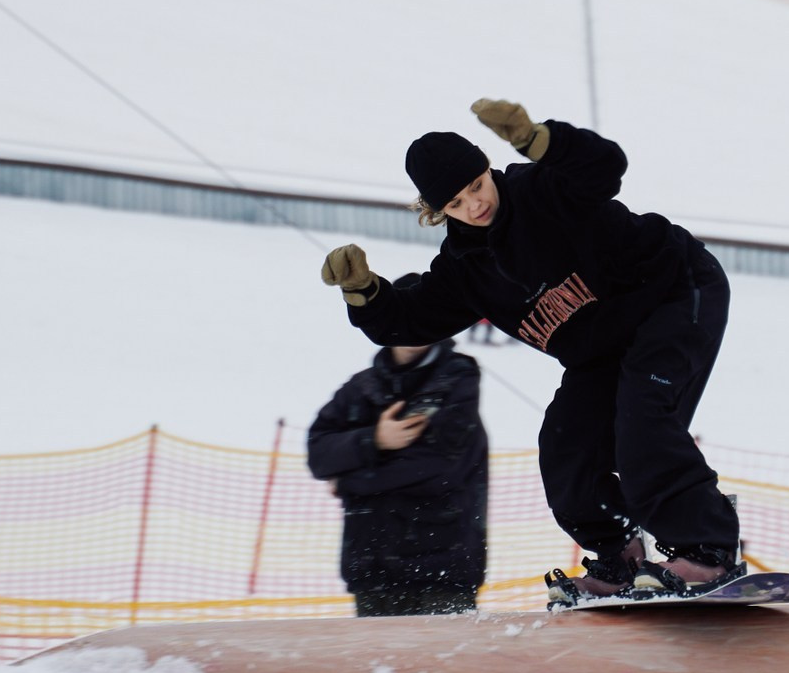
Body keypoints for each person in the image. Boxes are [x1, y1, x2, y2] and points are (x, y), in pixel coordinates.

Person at [319, 99, 740, 603]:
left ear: (487, 169)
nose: (474, 205)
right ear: (437, 212)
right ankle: (619, 555)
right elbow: (407, 320)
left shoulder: (543, 191)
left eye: (477, 186)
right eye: (456, 203)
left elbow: (605, 167)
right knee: (565, 446)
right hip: (602, 349)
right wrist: (363, 291)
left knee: (643, 418)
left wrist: (539, 140)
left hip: (673, 293)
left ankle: (708, 550)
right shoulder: (465, 271)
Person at [307, 337, 488, 615]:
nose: (410, 330)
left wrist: (348, 481)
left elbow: (436, 469)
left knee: (441, 646)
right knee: (376, 647)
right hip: (371, 572)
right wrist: (374, 439)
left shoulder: (458, 385)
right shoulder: (360, 387)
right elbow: (318, 454)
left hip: (442, 575)